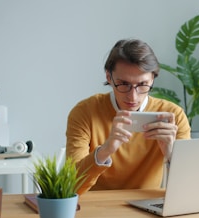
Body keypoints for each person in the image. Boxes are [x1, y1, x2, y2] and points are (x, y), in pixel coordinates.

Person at [66, 39, 191, 195]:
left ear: (152, 78)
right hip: (95, 206)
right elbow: (72, 185)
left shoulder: (173, 116)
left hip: (145, 208)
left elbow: (188, 189)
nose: (133, 96)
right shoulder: (85, 112)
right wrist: (105, 150)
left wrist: (171, 154)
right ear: (109, 77)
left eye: (142, 84)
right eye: (123, 84)